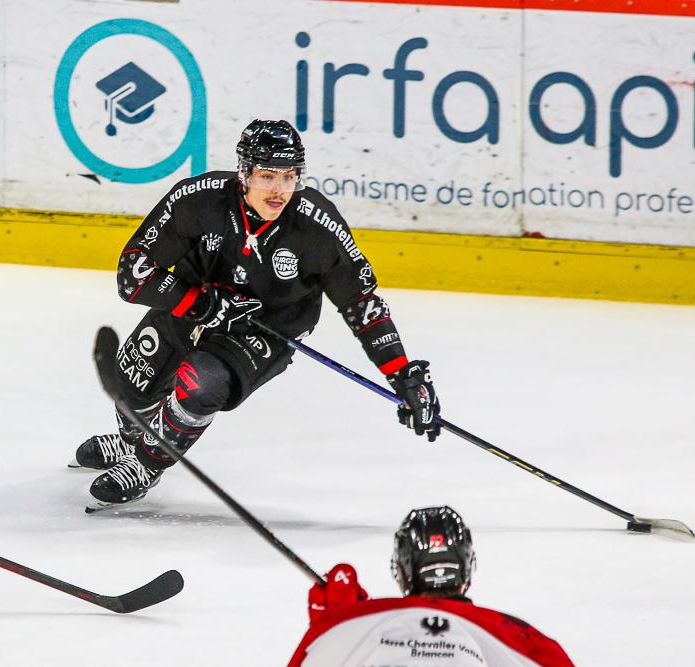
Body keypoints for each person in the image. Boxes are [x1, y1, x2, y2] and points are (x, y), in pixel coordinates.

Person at [69, 119, 441, 511]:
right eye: (267, 176)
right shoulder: (199, 200)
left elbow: (360, 302)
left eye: (289, 176)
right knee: (131, 377)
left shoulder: (317, 226)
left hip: (265, 329)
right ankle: (133, 439)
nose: (279, 190)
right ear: (244, 173)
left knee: (199, 383)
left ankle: (146, 463)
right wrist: (201, 305)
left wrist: (401, 372)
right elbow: (133, 273)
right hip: (197, 303)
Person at [288, 507, 574, 667]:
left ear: (402, 572)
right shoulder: (518, 637)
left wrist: (339, 618)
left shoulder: (348, 628)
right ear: (467, 569)